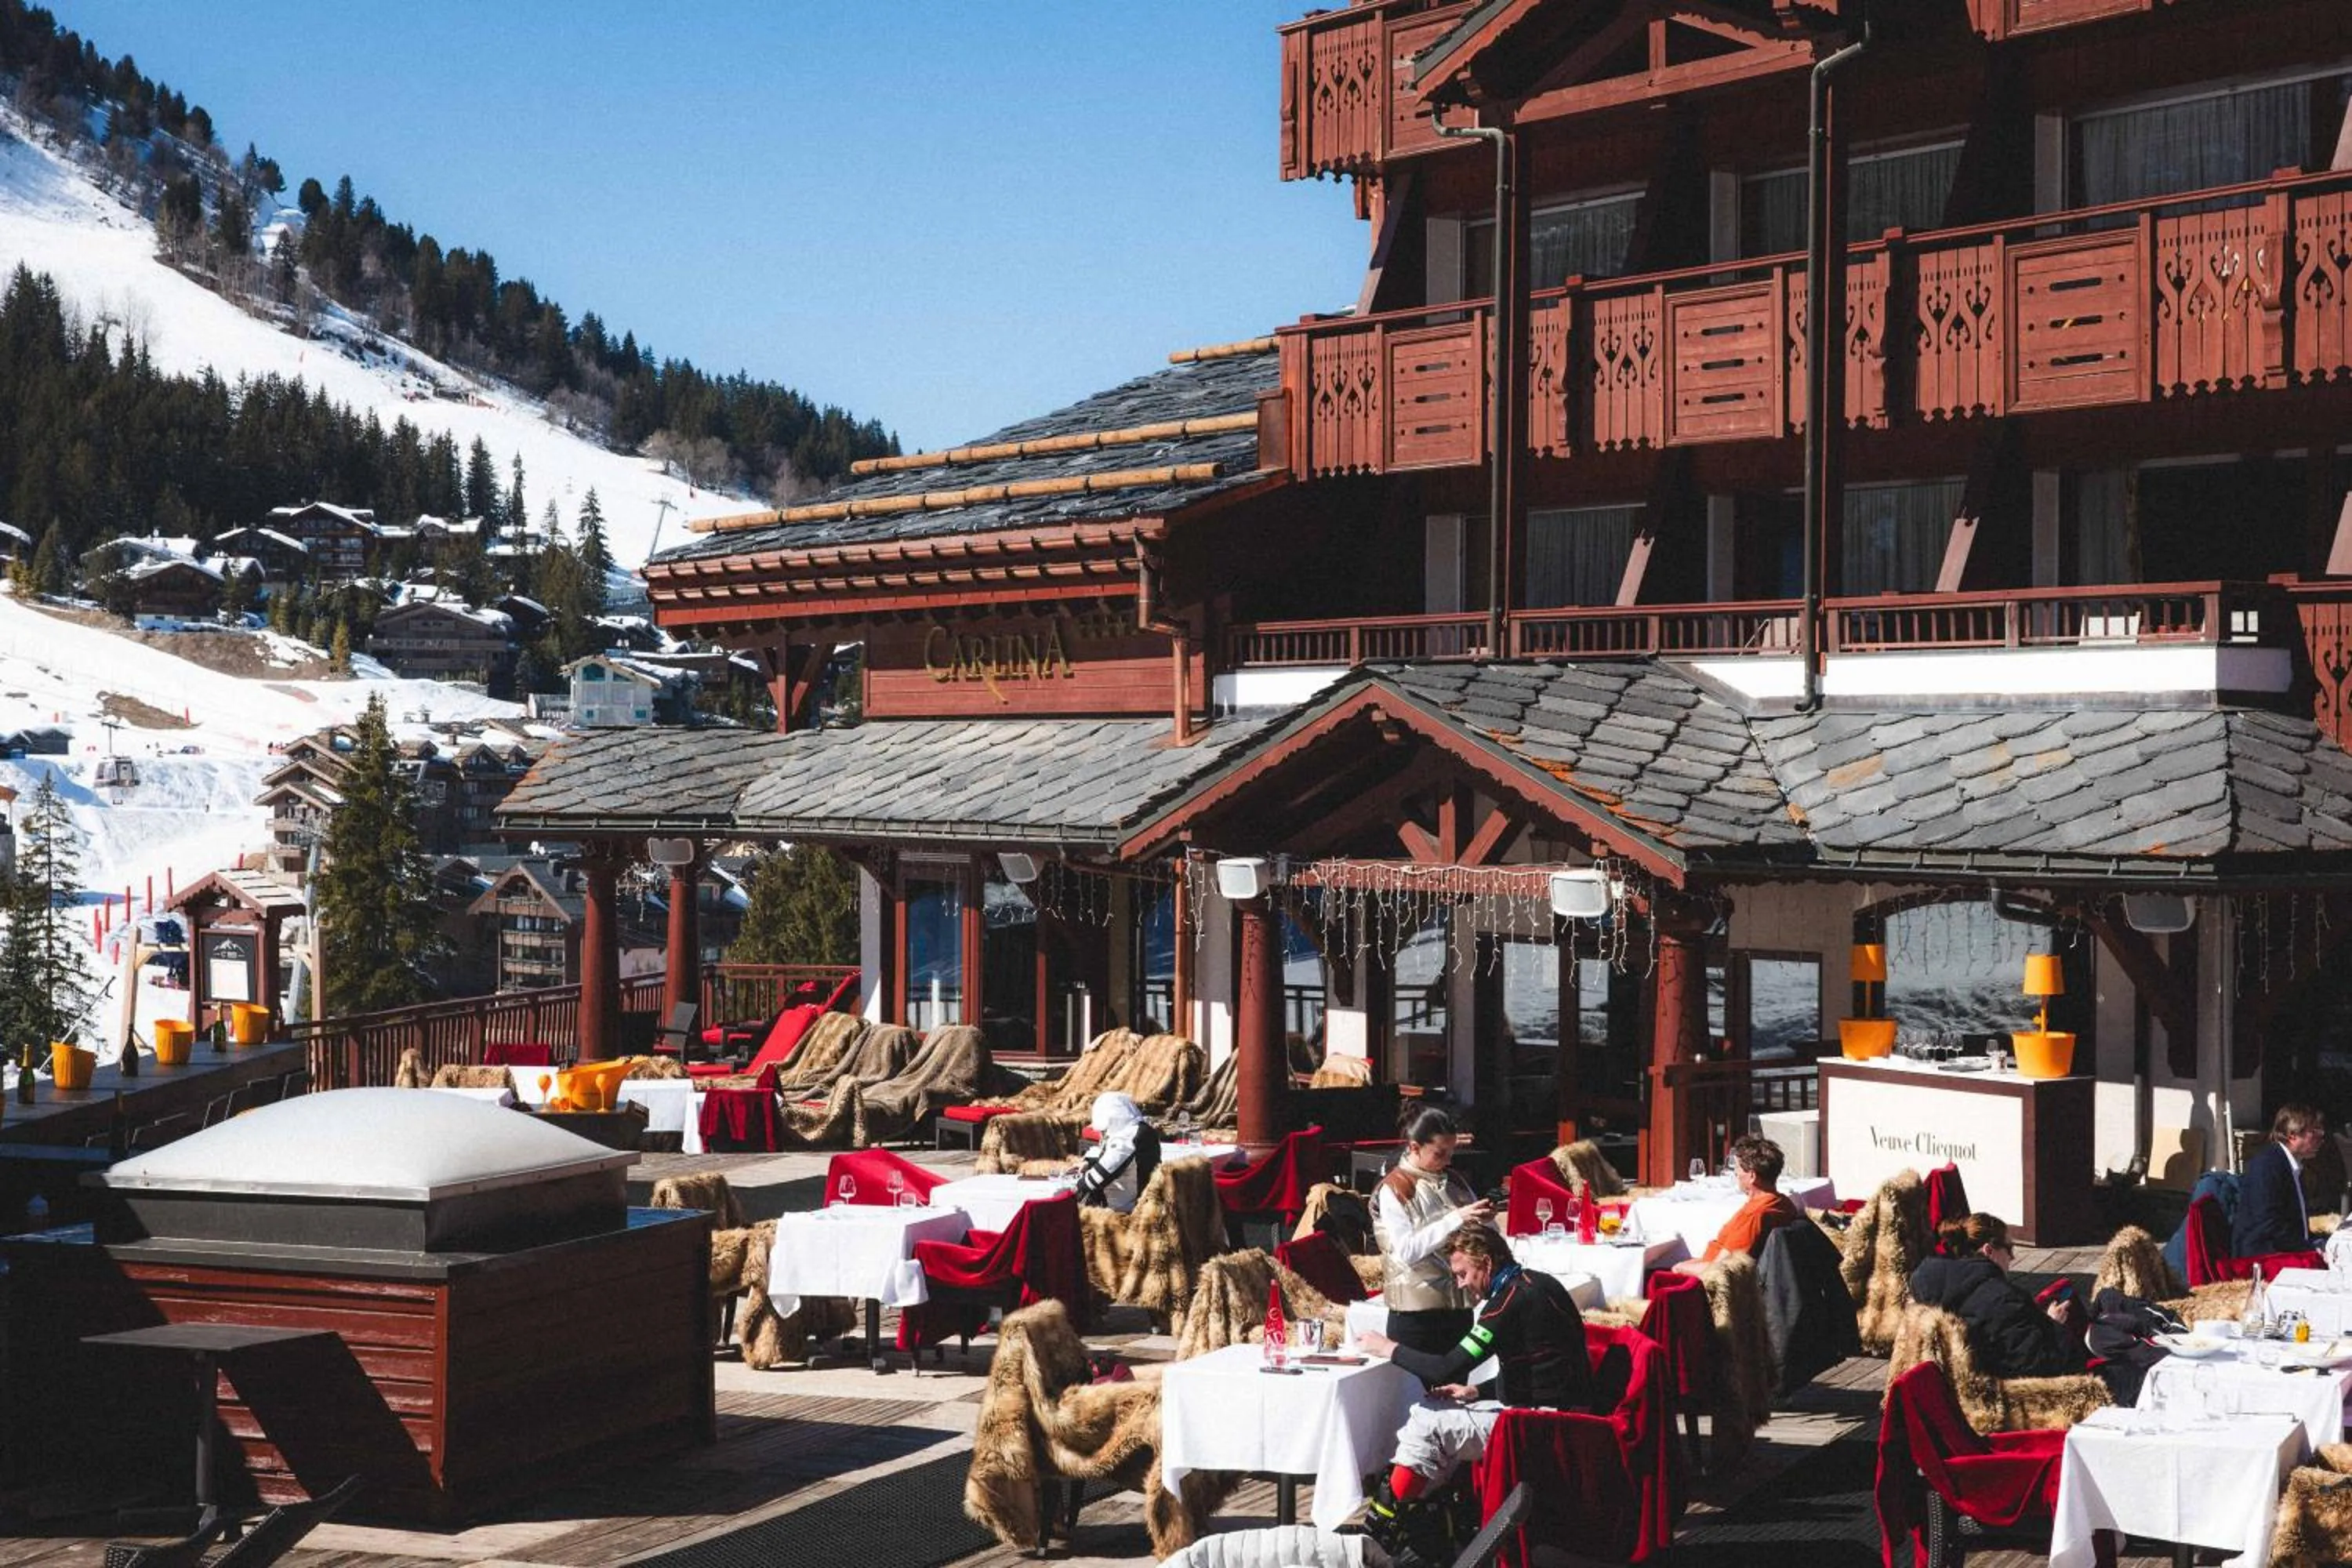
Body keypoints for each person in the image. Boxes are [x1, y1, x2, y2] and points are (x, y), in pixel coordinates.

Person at [1352, 1225, 1592, 1566]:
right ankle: (1422, 1528)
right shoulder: (1536, 1283)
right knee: (1430, 1411)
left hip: (1541, 1423)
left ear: (1486, 1262)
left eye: (1463, 1273)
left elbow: (1444, 1368)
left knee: (1427, 1427)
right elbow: (1541, 1367)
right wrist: (1476, 1390)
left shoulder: (1505, 1304)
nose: (1461, 1283)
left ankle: (1380, 1536)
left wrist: (1388, 1347)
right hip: (1561, 1408)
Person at [1907, 1212, 2086, 1379]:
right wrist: (2054, 1325)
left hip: (1957, 1382)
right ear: (1988, 1251)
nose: (2013, 1257)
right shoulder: (2001, 1299)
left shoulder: (1930, 1286)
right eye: (2009, 1248)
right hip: (2008, 1394)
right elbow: (2042, 1361)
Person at [1373, 1106, 1490, 1356]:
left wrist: (1483, 1222)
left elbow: (1475, 1239)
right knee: (1418, 1393)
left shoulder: (1454, 1180)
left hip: (1458, 1309)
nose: (1448, 1160)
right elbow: (1407, 1251)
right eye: (1440, 1153)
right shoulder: (1394, 1189)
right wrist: (1457, 1218)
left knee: (1458, 1391)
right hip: (1416, 1316)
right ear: (1415, 1147)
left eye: (1452, 1152)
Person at [1673, 1134, 1802, 1275]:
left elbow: (1721, 1270)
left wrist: (1680, 1268)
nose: (1736, 1174)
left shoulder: (1754, 1216)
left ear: (1752, 1176)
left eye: (1738, 1169)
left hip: (1717, 1284)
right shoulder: (1784, 1203)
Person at [2234, 1102, 2327, 1259]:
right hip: (2264, 1256)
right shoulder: (2267, 1166)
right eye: (2315, 1132)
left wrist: (2314, 1242)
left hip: (2286, 1249)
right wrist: (2308, 1250)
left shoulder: (2290, 1164)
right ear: (2293, 1135)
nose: (2321, 1138)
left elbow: (2293, 1222)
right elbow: (2268, 1224)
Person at [1071, 1091, 1159, 1214]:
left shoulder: (1128, 1138)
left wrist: (1072, 1190)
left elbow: (1100, 1176)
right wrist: (1089, 1163)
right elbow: (1110, 1155)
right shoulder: (1137, 1129)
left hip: (1121, 1210)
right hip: (1135, 1200)